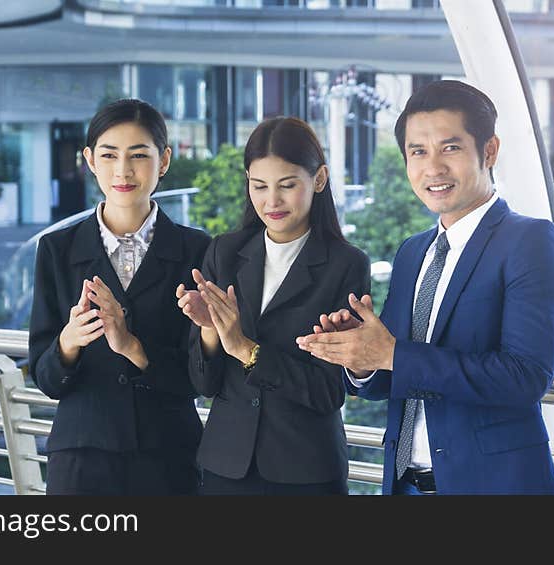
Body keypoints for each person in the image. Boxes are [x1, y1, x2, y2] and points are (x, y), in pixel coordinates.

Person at [296, 80, 554, 495]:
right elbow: (396, 375)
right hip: (405, 486)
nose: (433, 168)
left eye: (451, 148)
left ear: (489, 150)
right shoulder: (413, 252)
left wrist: (392, 354)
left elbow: (525, 377)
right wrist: (362, 360)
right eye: (418, 152)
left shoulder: (530, 242)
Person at [176, 117, 370, 495]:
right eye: (259, 186)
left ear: (319, 179)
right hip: (225, 468)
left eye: (287, 185)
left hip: (307, 471)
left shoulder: (346, 265)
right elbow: (203, 383)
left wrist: (247, 350)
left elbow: (329, 393)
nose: (271, 201)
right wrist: (210, 330)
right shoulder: (224, 252)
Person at [28, 99, 210, 495]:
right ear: (90, 160)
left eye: (138, 155)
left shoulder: (198, 251)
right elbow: (45, 378)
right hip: (81, 461)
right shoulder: (57, 250)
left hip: (169, 459)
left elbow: (202, 378)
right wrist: (68, 341)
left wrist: (132, 346)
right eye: (109, 155)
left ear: (163, 161)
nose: (122, 170)